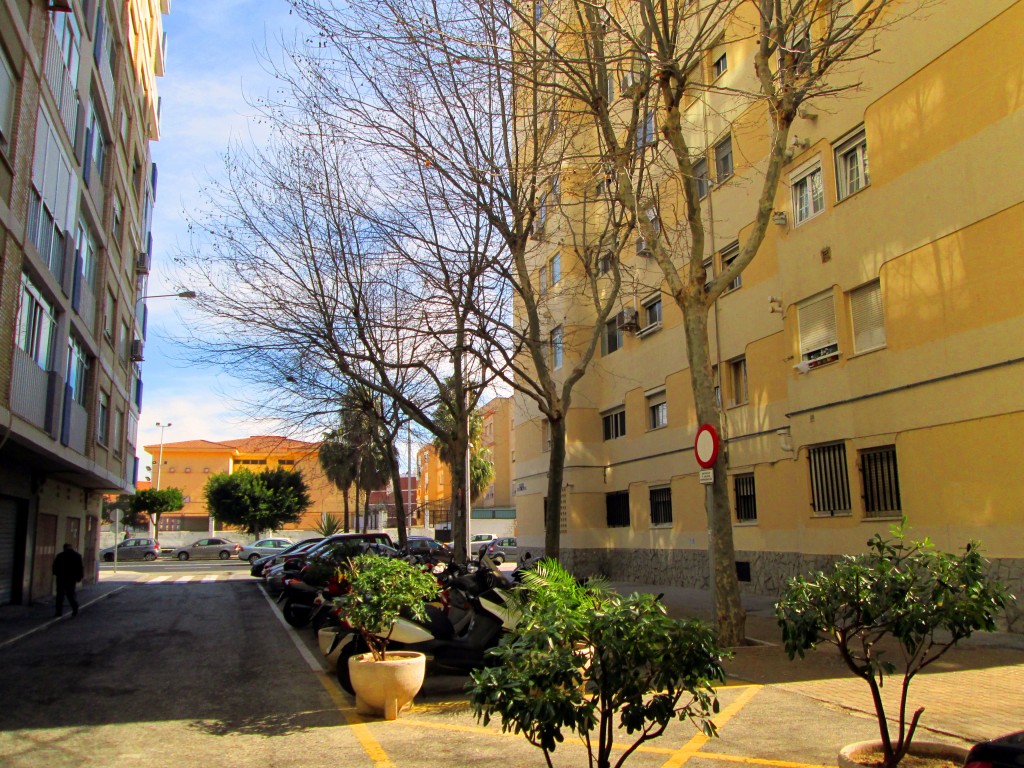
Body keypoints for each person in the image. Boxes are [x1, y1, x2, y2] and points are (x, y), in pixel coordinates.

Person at [52, 543, 85, 618]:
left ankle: (59, 612)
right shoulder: (77, 556)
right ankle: (75, 609)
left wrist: (56, 574)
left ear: (64, 548)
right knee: (70, 594)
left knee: (60, 595)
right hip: (71, 578)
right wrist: (79, 577)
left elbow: (54, 567)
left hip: (61, 578)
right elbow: (80, 567)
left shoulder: (60, 555)